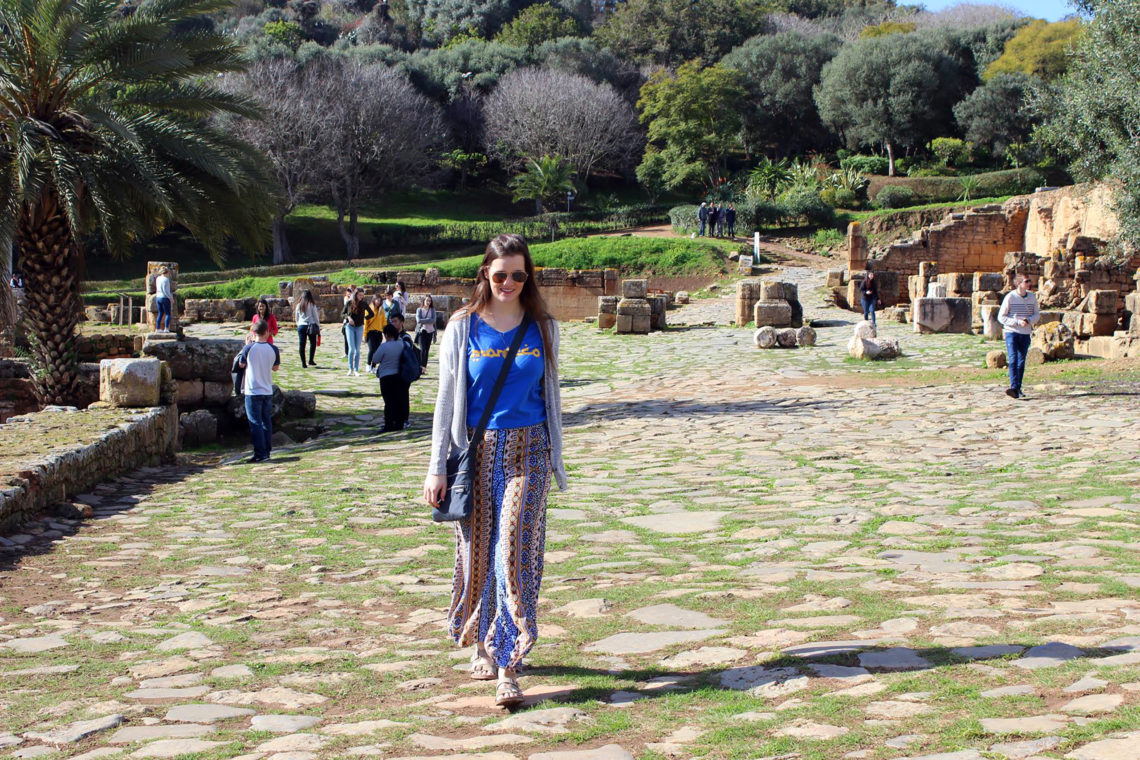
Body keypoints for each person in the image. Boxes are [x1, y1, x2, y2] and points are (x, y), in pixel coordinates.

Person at [423, 233, 566, 709]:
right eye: (500, 273)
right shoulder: (463, 326)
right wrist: (435, 467)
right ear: (485, 272)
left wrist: (554, 457)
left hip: (530, 450)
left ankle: (509, 664)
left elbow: (551, 395)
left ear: (529, 277)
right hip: (476, 453)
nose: (509, 282)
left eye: (519, 275)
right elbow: (446, 401)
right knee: (478, 551)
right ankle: (480, 640)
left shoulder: (542, 326)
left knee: (514, 548)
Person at [237, 319, 280, 463]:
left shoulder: (249, 349)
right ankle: (266, 451)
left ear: (253, 333)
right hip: (267, 390)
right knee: (266, 422)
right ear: (267, 332)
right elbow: (275, 368)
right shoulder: (273, 349)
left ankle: (259, 453)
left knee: (255, 422)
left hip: (252, 390)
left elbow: (241, 364)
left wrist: (246, 346)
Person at [998, 273, 1040, 399]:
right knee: (1013, 359)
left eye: (1029, 281)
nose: (1029, 283)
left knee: (1021, 362)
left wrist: (1028, 320)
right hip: (1011, 332)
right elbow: (1001, 317)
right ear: (1019, 284)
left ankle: (1017, 388)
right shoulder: (1010, 297)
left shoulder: (1032, 297)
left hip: (1025, 333)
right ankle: (1014, 387)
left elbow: (1037, 315)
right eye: (1026, 281)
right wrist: (1016, 322)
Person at [372, 324, 408, 432]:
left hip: (386, 376)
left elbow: (375, 359)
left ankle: (388, 424)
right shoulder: (402, 344)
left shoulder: (384, 346)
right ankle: (399, 423)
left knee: (389, 402)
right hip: (399, 375)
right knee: (399, 400)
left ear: (386, 335)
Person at [342, 288, 373, 377]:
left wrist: (364, 319)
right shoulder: (349, 303)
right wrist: (348, 318)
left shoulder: (363, 304)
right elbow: (342, 313)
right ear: (355, 295)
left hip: (359, 327)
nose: (361, 297)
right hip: (349, 327)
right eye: (360, 295)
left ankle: (356, 369)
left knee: (358, 350)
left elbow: (371, 314)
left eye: (362, 295)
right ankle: (350, 369)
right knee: (351, 349)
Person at [294, 290, 320, 368]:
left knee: (302, 345)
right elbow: (316, 317)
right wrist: (318, 326)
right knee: (313, 343)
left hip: (301, 326)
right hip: (311, 325)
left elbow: (296, 318)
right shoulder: (312, 305)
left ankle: (303, 363)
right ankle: (310, 360)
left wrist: (298, 324)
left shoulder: (298, 305)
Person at [364, 294, 388, 367]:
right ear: (374, 300)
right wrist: (364, 334)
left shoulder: (381, 310)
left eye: (380, 300)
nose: (378, 302)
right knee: (371, 349)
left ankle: (373, 366)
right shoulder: (369, 309)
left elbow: (384, 322)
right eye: (377, 300)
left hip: (379, 332)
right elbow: (365, 322)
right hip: (370, 332)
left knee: (377, 351)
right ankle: (368, 364)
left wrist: (386, 332)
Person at [414, 295, 437, 372]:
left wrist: (425, 320)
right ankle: (420, 366)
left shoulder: (432, 310)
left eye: (429, 301)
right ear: (423, 301)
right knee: (422, 349)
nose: (428, 302)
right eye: (427, 300)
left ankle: (423, 367)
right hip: (421, 331)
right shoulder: (419, 310)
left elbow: (434, 320)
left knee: (427, 350)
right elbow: (418, 320)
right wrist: (428, 319)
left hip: (430, 331)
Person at [154, 267, 173, 332]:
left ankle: (158, 328)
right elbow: (166, 291)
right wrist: (170, 298)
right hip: (164, 298)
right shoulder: (166, 280)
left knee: (160, 313)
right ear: (167, 272)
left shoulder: (158, 278)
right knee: (168, 313)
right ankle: (166, 328)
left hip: (158, 297)